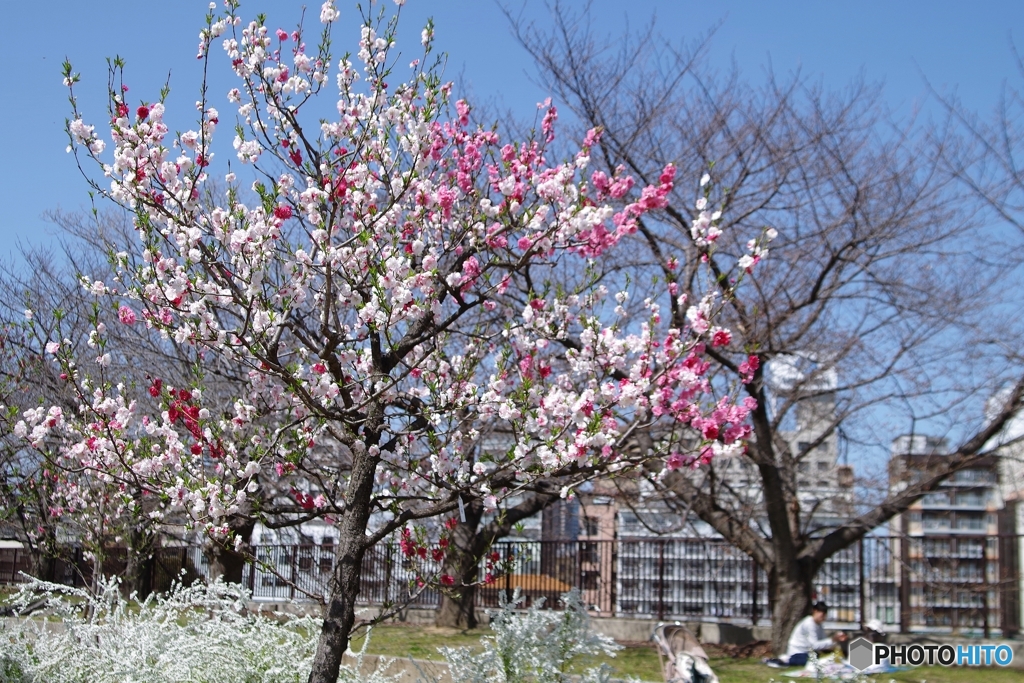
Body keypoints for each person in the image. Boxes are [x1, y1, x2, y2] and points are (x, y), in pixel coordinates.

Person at [764, 602, 847, 668]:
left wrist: (835, 641)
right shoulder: (809, 623)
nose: (823, 618)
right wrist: (832, 640)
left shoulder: (819, 625)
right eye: (822, 615)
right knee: (813, 662)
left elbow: (823, 642)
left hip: (809, 652)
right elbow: (814, 645)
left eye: (824, 616)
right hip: (798, 653)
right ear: (815, 611)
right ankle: (781, 661)